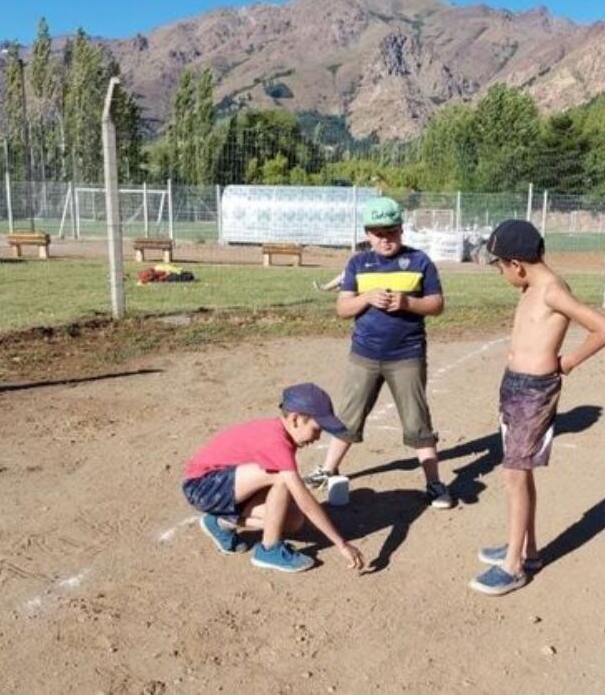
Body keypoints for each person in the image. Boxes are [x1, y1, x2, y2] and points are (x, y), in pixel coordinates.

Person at [469, 219, 605, 596]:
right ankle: (526, 548)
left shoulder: (552, 291)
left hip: (533, 391)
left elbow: (604, 327)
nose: (501, 273)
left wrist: (568, 362)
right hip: (517, 388)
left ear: (515, 264)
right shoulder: (532, 286)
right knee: (521, 472)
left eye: (499, 266)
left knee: (514, 475)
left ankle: (514, 566)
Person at [304, 197, 454, 509]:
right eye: (378, 233)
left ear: (401, 230)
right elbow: (342, 308)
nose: (385, 239)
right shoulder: (358, 264)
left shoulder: (419, 261)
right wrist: (366, 297)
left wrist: (407, 303)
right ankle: (327, 469)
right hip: (364, 355)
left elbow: (437, 304)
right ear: (368, 234)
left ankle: (434, 484)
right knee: (348, 416)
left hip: (407, 355)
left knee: (417, 422)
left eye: (391, 232)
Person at [182, 382, 366, 573]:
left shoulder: (286, 435)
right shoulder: (276, 440)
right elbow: (304, 499)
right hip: (202, 486)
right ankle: (269, 550)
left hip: (231, 486)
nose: (318, 436)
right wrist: (341, 543)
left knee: (293, 521)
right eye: (317, 429)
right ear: (296, 419)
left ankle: (220, 522)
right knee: (283, 478)